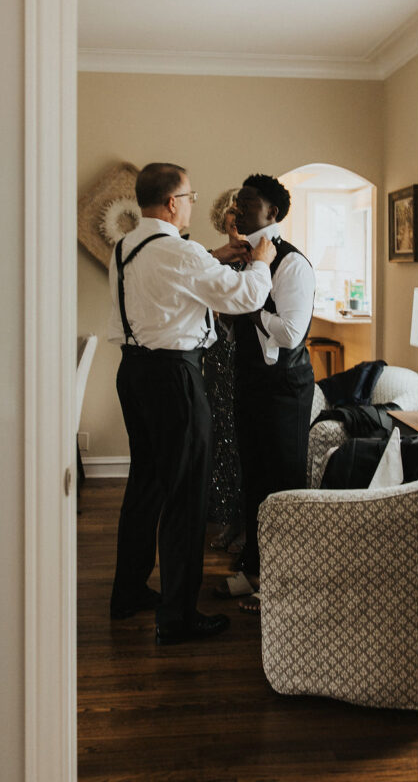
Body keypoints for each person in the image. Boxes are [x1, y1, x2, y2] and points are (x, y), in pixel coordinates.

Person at [108, 162, 275, 645]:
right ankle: (178, 617)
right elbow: (244, 297)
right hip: (175, 377)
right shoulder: (179, 253)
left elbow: (174, 276)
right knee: (187, 496)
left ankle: (129, 592)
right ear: (174, 202)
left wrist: (217, 253)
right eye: (191, 195)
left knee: (146, 484)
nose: (194, 203)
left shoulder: (128, 245)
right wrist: (260, 260)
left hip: (133, 371)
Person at [224, 173, 316, 612]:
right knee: (254, 477)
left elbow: (292, 332)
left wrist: (252, 305)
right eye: (237, 201)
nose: (238, 208)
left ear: (272, 213)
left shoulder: (291, 264)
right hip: (250, 381)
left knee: (282, 483)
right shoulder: (244, 258)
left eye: (247, 202)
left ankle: (283, 585)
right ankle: (255, 570)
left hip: (284, 390)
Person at [204, 188, 245, 551]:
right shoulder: (213, 262)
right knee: (221, 436)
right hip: (216, 357)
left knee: (243, 439)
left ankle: (244, 523)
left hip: (246, 359)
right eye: (231, 215)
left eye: (241, 214)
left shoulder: (263, 259)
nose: (236, 221)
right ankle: (226, 518)